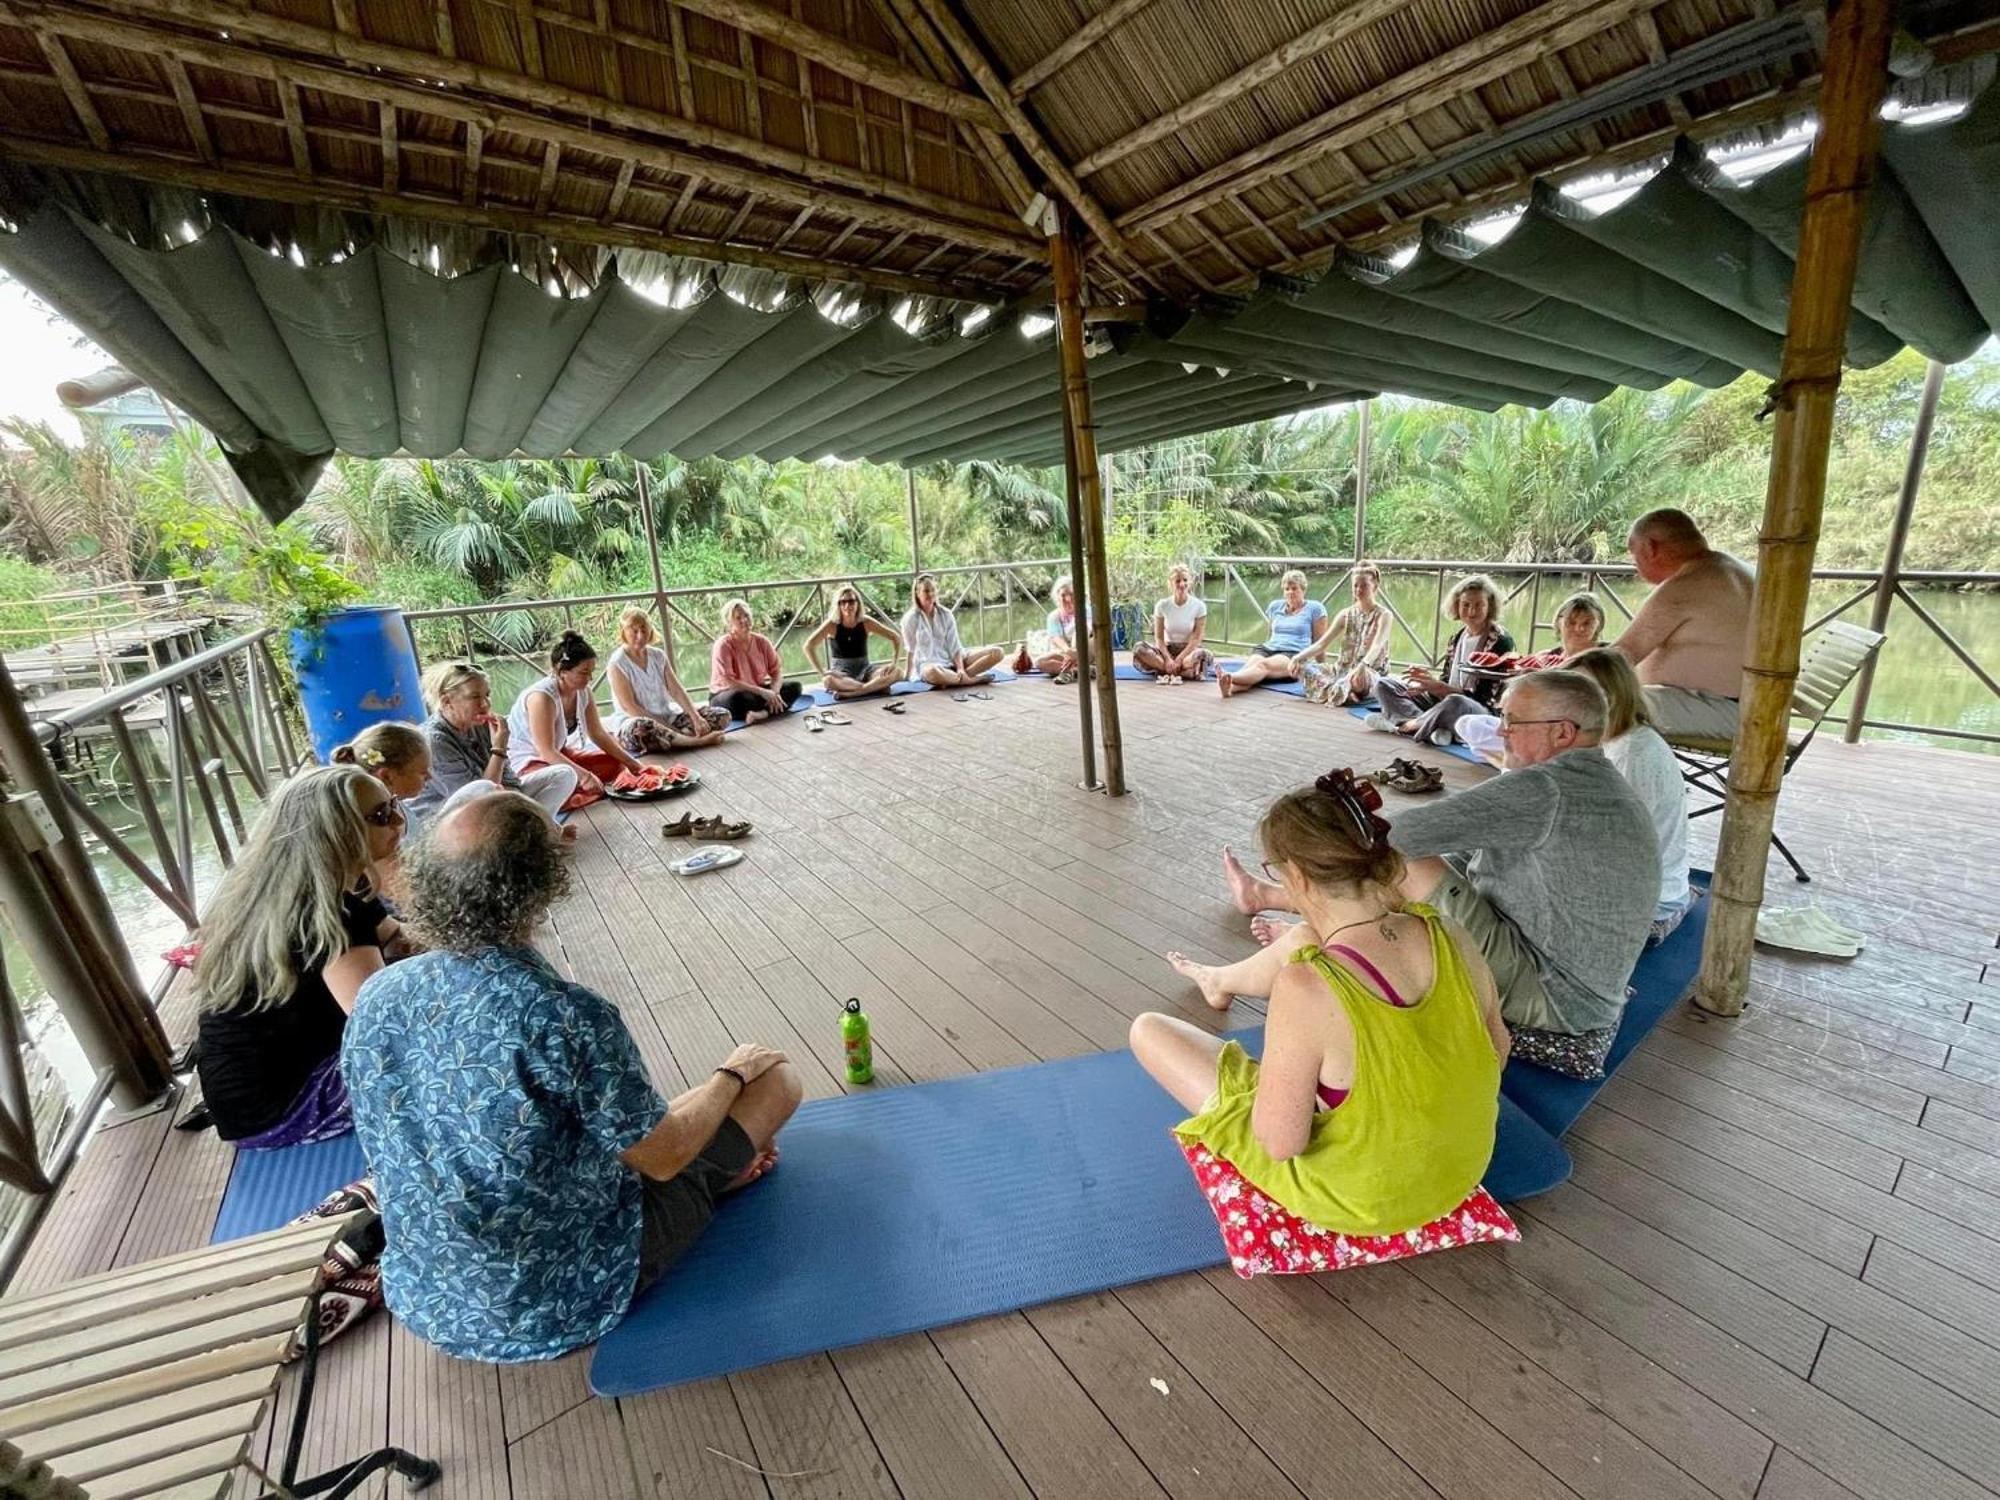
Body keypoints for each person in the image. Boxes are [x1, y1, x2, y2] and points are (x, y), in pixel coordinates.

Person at [342, 791, 804, 1362]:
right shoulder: (560, 1013)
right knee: (776, 1080)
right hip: (557, 1293)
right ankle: (715, 1181)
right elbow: (662, 1156)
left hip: (432, 1292)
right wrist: (732, 1075)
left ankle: (713, 1169)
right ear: (543, 883)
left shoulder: (380, 993)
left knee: (647, 1119)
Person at [1135, 770, 1508, 1239]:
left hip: (1359, 1201)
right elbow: (1497, 1051)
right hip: (1460, 1173)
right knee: (1302, 940)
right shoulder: (1451, 934)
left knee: (1149, 1030)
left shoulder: (1306, 986)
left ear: (1297, 878)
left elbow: (1280, 1142)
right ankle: (1223, 980)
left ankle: (1221, 983)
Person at [1220, 671, 1656, 1070]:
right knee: (1427, 870)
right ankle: (1293, 906)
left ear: (1562, 732)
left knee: (1403, 863)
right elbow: (1477, 854)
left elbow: (1395, 835)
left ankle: (1289, 906)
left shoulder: (1547, 786)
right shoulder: (1593, 780)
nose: (1502, 731)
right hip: (1576, 980)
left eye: (1513, 721)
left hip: (1553, 993)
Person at [191, 765, 408, 1147]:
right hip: (280, 1108)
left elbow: (399, 939)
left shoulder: (305, 883)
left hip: (242, 1099)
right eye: (380, 816)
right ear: (337, 833)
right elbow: (381, 1025)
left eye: (392, 806)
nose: (398, 821)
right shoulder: (330, 911)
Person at [1567, 647, 1694, 946]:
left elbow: (1618, 849)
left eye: (1590, 692)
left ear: (1616, 694)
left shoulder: (1633, 753)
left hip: (1647, 903)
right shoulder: (1612, 740)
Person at [1615, 508, 1754, 741]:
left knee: (1592, 702)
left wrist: (1548, 677)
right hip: (1743, 707)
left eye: (1633, 552)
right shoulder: (1732, 569)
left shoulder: (1689, 583)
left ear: (1650, 548)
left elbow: (1619, 657)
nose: (1634, 564)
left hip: (1725, 712)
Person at [406, 661, 577, 828]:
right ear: (446, 701)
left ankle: (535, 830)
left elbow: (511, 781)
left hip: (492, 802)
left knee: (565, 774)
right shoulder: (435, 741)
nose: (485, 704)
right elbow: (478, 801)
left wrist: (518, 805)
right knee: (486, 789)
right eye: (474, 697)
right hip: (450, 822)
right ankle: (534, 832)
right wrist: (499, 750)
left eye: (487, 695)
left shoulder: (480, 725)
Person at [1449, 591, 1606, 762]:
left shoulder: (1603, 659)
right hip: (1528, 727)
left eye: (1587, 623)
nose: (1579, 628)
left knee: (1472, 726)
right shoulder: (1547, 656)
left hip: (1566, 734)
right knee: (1468, 724)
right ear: (1559, 623)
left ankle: (1510, 759)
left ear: (1598, 625)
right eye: (1571, 622)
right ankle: (1511, 758)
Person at [1367, 574, 1514, 743]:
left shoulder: (1501, 641)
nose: (1472, 611)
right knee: (1384, 684)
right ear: (1457, 606)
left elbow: (1484, 699)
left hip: (1476, 710)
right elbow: (1445, 680)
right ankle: (1434, 728)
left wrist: (1439, 687)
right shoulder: (1457, 637)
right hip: (1444, 703)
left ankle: (1409, 724)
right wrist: (1427, 685)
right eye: (1465, 605)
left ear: (1490, 607)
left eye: (1479, 605)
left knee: (1456, 702)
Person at [509, 631, 647, 812]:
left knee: (616, 764)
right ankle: (565, 797)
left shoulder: (584, 691)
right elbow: (545, 751)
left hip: (558, 754)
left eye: (591, 672)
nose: (589, 679)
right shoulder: (541, 697)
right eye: (583, 673)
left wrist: (633, 764)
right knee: (566, 781)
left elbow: (598, 734)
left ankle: (580, 792)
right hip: (531, 761)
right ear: (562, 671)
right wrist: (584, 776)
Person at [606, 607, 730, 751]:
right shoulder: (617, 663)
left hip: (668, 717)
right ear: (623, 632)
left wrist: (696, 717)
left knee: (722, 715)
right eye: (634, 631)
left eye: (644, 630)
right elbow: (630, 708)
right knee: (641, 729)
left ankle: (678, 740)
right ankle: (694, 742)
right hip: (635, 722)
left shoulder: (658, 656)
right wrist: (669, 729)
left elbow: (676, 690)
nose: (640, 635)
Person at [1219, 570, 1332, 697]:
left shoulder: (1315, 608)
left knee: (1262, 666)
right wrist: (1266, 649)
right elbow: (1271, 635)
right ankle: (1230, 689)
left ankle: (1229, 676)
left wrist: (1322, 669)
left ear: (1303, 590)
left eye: (1294, 588)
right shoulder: (1275, 606)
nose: (1290, 592)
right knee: (1252, 667)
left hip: (1293, 653)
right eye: (1287, 589)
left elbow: (1320, 642)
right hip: (1269, 648)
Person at [1301, 563, 1392, 706]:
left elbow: (1378, 645)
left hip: (1369, 671)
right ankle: (1343, 692)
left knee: (1357, 681)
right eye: (1355, 586)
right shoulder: (1345, 614)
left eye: (1364, 586)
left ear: (1375, 586)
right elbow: (1322, 644)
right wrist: (1297, 658)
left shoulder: (1384, 615)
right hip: (1342, 670)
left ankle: (1336, 690)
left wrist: (1363, 665)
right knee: (1304, 667)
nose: (1359, 590)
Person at [901, 572, 1006, 688]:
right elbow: (910, 650)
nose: (930, 594)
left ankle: (957, 678)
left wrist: (960, 668)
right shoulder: (910, 618)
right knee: (933, 672)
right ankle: (971, 680)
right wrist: (907, 675)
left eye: (933, 590)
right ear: (917, 593)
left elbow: (955, 646)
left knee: (997, 652)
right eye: (926, 591)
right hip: (930, 666)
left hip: (954, 661)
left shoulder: (946, 614)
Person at [710, 599, 803, 723]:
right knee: (738, 698)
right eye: (738, 618)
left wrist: (774, 693)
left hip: (755, 691)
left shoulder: (762, 642)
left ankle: (763, 713)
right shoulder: (723, 645)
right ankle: (769, 710)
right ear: (729, 622)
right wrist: (762, 692)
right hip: (727, 694)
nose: (744, 620)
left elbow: (777, 672)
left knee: (795, 687)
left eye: (746, 615)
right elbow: (728, 682)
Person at [805, 585, 903, 699]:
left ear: (858, 603)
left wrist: (894, 663)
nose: (847, 605)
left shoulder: (866, 622)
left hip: (866, 669)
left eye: (851, 601)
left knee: (898, 672)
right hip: (842, 673)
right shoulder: (832, 625)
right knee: (828, 681)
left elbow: (896, 637)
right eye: (843, 602)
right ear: (838, 605)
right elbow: (809, 646)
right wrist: (822, 672)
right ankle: (874, 688)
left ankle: (856, 692)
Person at [330, 721, 430, 830]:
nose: (430, 777)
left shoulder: (395, 805)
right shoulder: (373, 826)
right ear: (387, 776)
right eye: (423, 772)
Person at [1131, 562, 1211, 683]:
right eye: (1177, 581)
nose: (1182, 584)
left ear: (1190, 582)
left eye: (1185, 580)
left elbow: (1196, 639)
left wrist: (1179, 659)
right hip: (1166, 651)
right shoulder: (1162, 605)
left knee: (1202, 654)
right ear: (1171, 584)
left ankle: (1170, 670)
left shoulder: (1199, 606)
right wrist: (1168, 659)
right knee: (1139, 649)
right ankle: (1180, 671)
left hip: (1188, 652)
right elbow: (1159, 638)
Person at [1032, 575, 1084, 682]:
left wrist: (1074, 652)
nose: (1068, 599)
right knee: (1039, 662)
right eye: (1063, 595)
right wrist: (1069, 652)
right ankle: (1076, 671)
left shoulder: (1085, 610)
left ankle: (1071, 670)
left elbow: (1085, 632)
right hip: (1066, 654)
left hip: (1085, 652)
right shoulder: (1053, 616)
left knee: (1077, 630)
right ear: (1057, 597)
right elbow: (1056, 638)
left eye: (1071, 594)